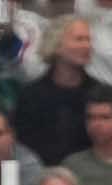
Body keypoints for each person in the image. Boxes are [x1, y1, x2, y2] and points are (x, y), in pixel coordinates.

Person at [13, 15, 95, 170]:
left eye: (88, 40)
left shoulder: (99, 94)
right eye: (79, 39)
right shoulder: (31, 96)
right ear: (56, 45)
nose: (87, 45)